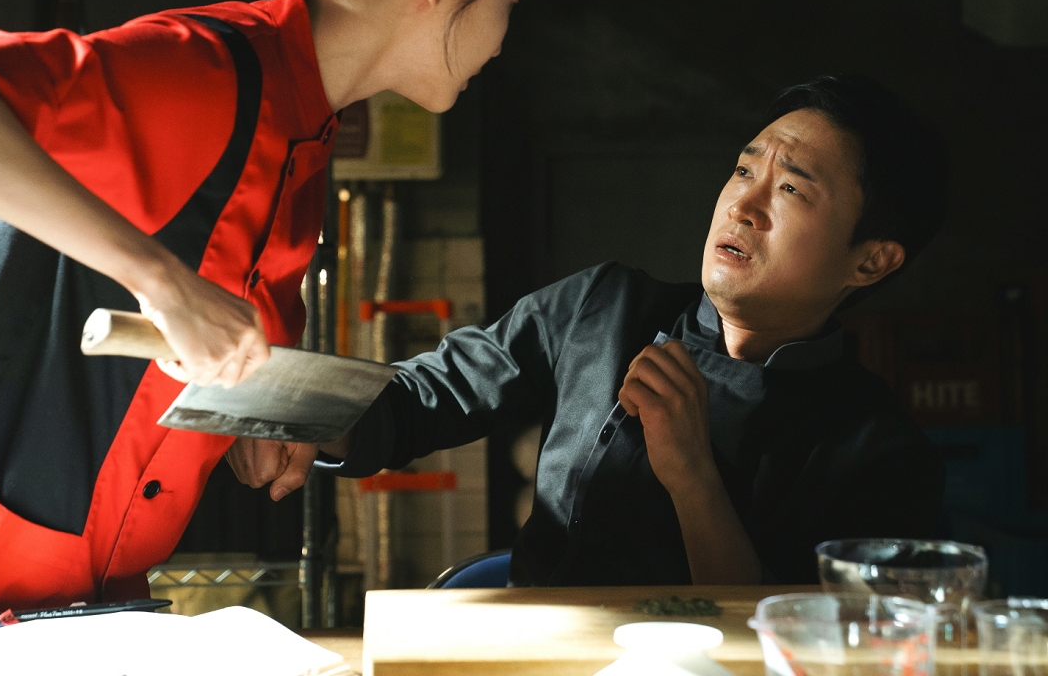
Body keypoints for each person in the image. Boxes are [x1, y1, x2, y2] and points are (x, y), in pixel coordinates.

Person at [0, 0, 546, 637]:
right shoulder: (207, 67)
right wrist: (161, 282)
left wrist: (249, 416)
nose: (504, 38)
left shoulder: (306, 132)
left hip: (54, 608)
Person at [316, 75, 949, 586]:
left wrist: (693, 475)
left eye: (789, 188)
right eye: (743, 171)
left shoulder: (882, 453)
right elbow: (425, 398)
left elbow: (800, 644)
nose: (742, 206)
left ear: (871, 261)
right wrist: (294, 411)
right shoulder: (603, 309)